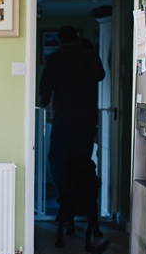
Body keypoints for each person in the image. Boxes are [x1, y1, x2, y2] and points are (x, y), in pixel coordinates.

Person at [39, 27, 106, 240]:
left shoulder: (57, 58)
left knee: (57, 160)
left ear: (60, 40)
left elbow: (45, 86)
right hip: (87, 120)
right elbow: (101, 75)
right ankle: (79, 206)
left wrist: (43, 102)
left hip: (64, 119)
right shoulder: (90, 56)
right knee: (82, 164)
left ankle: (64, 203)